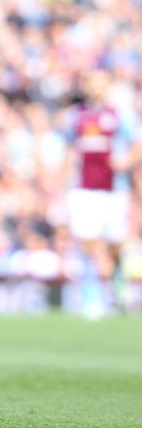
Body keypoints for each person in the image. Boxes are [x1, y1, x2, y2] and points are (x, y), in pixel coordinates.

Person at [64, 70, 139, 317]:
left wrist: (126, 161)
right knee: (88, 243)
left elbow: (137, 143)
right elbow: (68, 146)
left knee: (115, 243)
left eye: (100, 83)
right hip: (84, 189)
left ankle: (120, 285)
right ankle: (92, 298)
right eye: (91, 83)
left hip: (113, 189)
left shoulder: (120, 115)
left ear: (107, 86)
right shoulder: (76, 116)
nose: (95, 87)